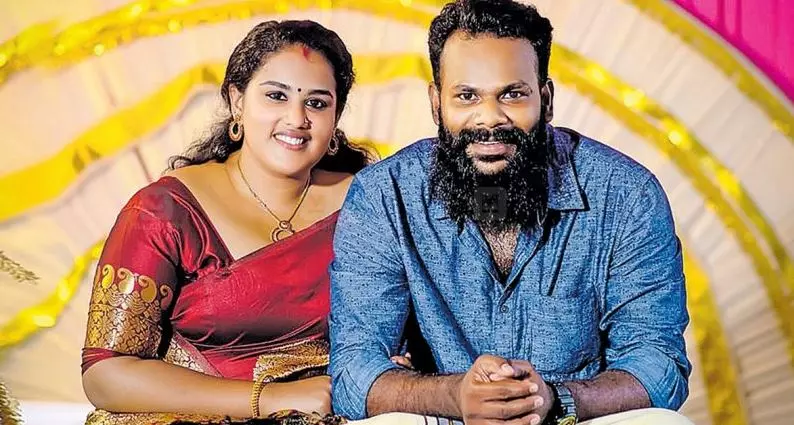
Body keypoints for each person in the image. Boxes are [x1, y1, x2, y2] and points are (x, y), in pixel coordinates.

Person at [329, 1, 692, 425]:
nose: (489, 119)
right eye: (466, 96)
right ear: (436, 103)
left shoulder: (627, 194)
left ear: (546, 99)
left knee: (665, 423)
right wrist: (455, 395)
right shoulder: (383, 195)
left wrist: (553, 399)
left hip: (573, 417)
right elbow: (353, 374)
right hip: (441, 417)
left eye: (513, 94)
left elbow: (659, 365)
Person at [80, 20, 377, 425]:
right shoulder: (165, 210)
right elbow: (106, 374)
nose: (296, 118)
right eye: (276, 96)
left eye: (317, 103)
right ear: (238, 102)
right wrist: (268, 399)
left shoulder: (369, 203)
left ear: (336, 115)